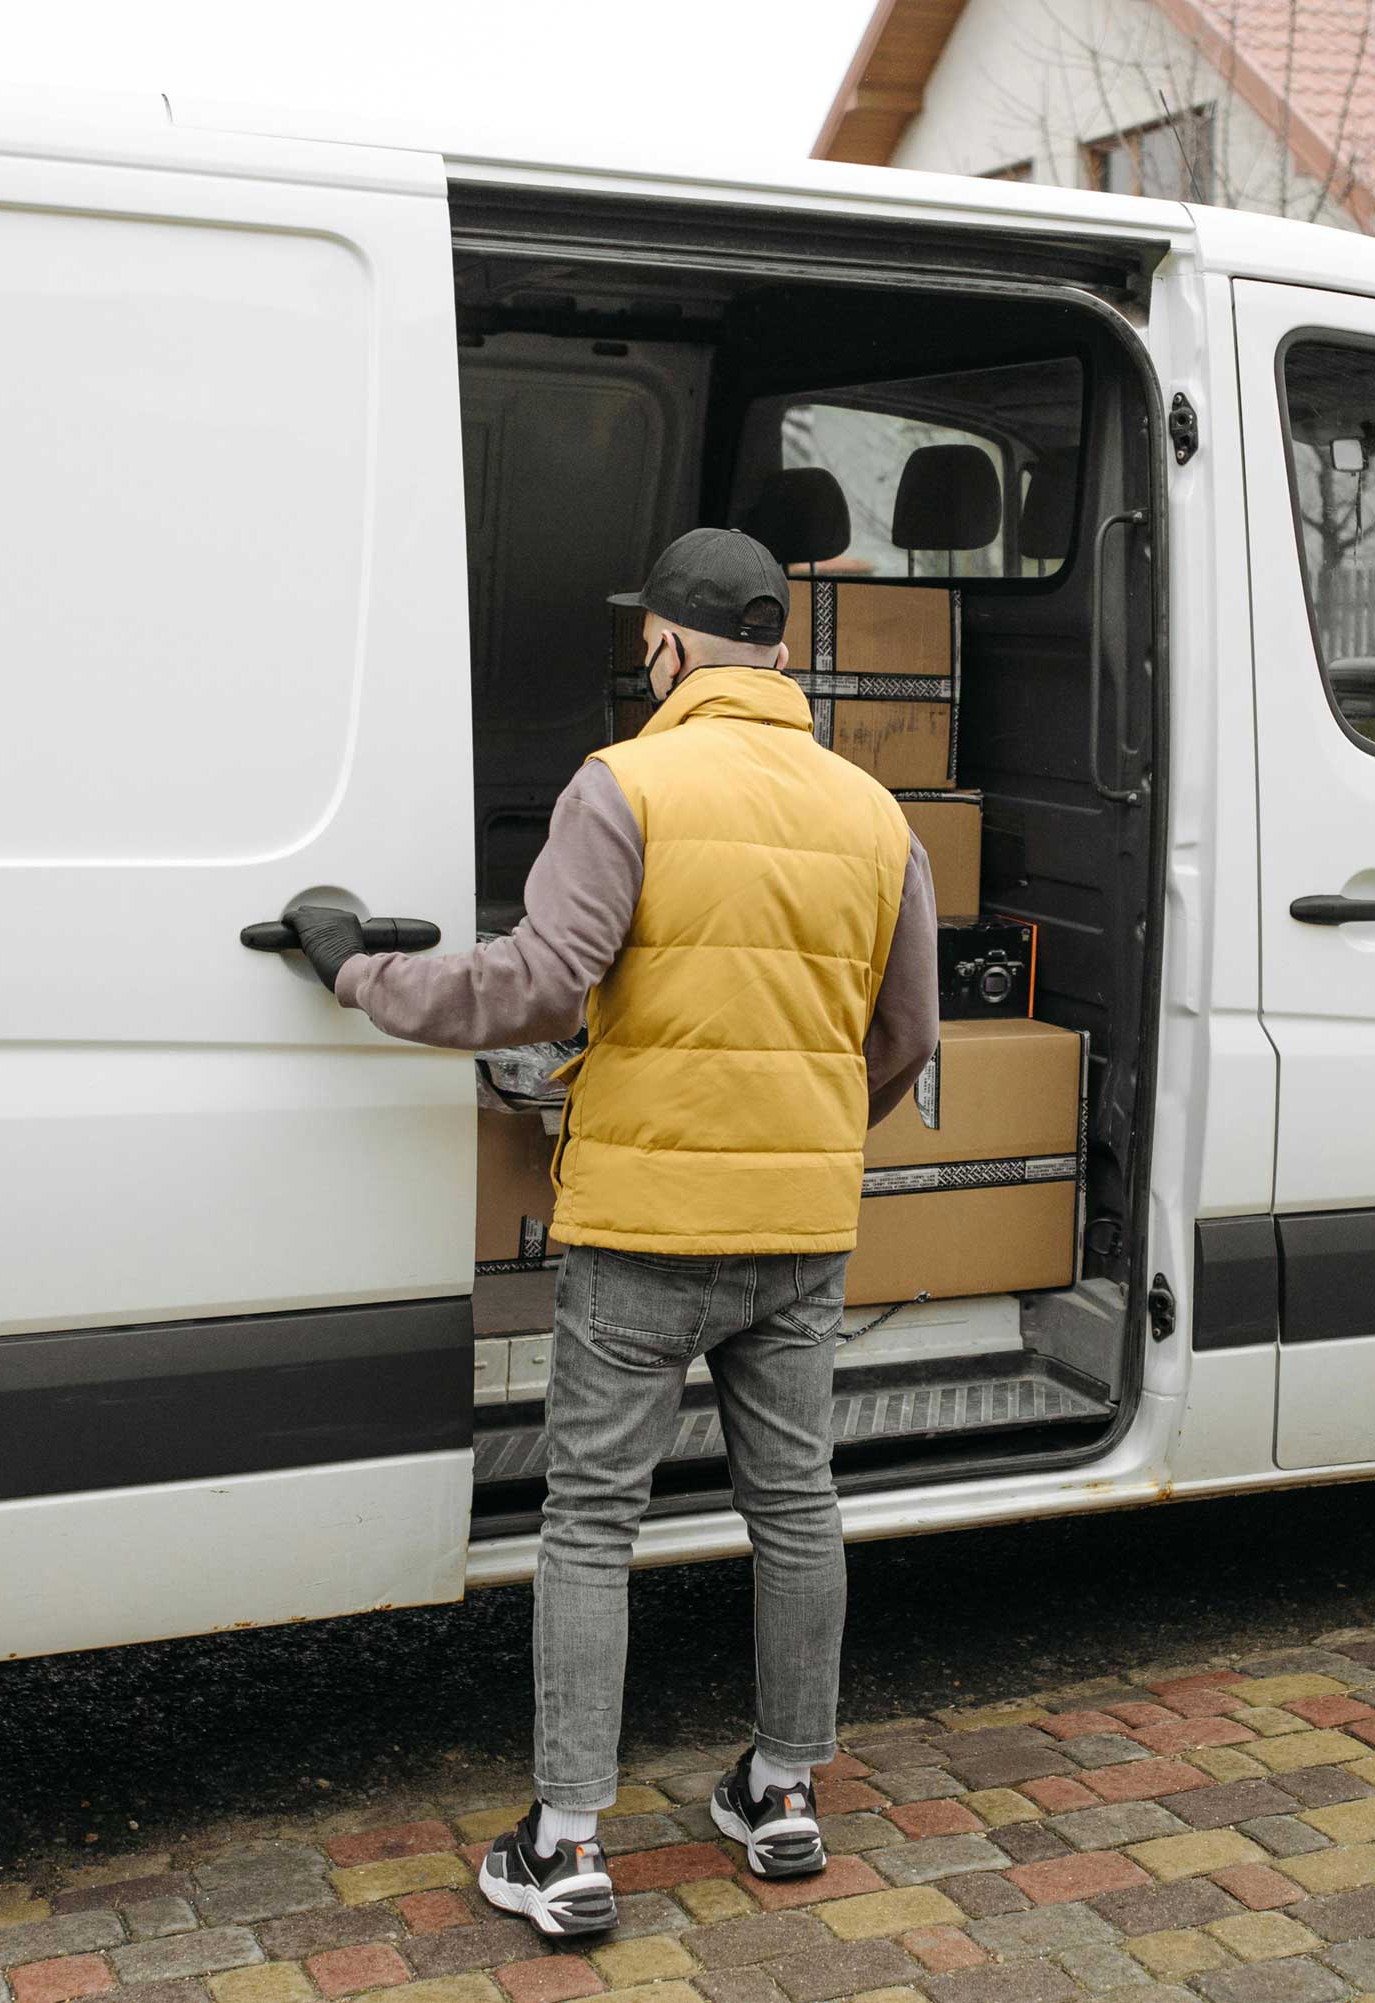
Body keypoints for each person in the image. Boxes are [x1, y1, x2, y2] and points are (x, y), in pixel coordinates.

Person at [283, 526, 940, 1940]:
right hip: (802, 1224)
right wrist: (812, 1133)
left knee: (590, 1523)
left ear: (665, 645)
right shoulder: (872, 813)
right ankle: (781, 1797)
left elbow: (534, 985)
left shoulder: (624, 784)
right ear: (778, 645)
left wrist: (357, 972)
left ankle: (569, 1847)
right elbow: (908, 1035)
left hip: (647, 1226)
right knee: (796, 1504)